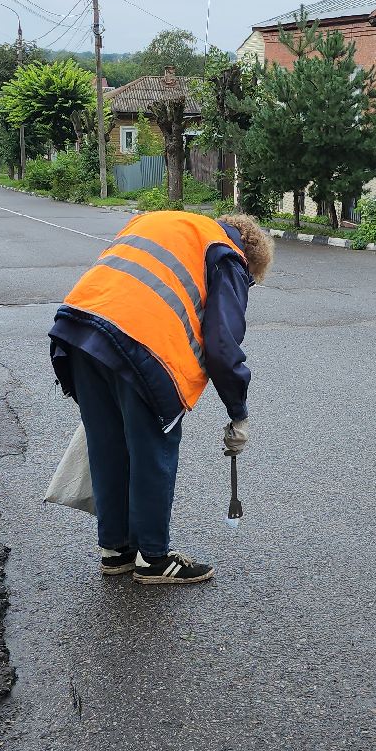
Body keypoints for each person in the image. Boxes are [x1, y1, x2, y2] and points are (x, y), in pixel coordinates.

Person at [49, 209, 273, 585]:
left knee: (108, 447)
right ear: (250, 260)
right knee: (152, 451)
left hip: (78, 330)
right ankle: (153, 557)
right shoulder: (227, 254)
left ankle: (116, 551)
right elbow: (222, 344)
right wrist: (238, 413)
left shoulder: (164, 224)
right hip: (141, 347)